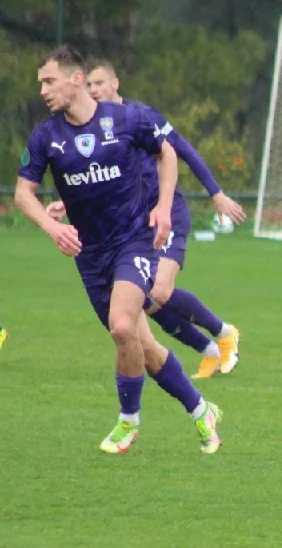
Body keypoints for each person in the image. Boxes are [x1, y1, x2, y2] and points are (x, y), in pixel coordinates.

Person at [13, 45, 223, 454]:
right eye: (41, 83)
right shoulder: (46, 136)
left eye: (49, 81)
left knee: (122, 326)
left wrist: (164, 207)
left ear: (76, 79)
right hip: (90, 256)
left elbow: (166, 152)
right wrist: (52, 226)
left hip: (134, 242)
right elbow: (24, 193)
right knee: (144, 349)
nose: (43, 90)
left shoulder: (126, 119)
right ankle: (202, 410)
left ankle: (128, 421)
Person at [77, 58, 243, 379]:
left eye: (99, 83)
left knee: (158, 292)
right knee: (141, 300)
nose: (93, 90)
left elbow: (183, 151)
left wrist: (216, 194)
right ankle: (210, 349)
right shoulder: (92, 129)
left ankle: (224, 333)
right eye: (89, 85)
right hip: (133, 223)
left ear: (115, 83)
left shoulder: (141, 116)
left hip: (168, 214)